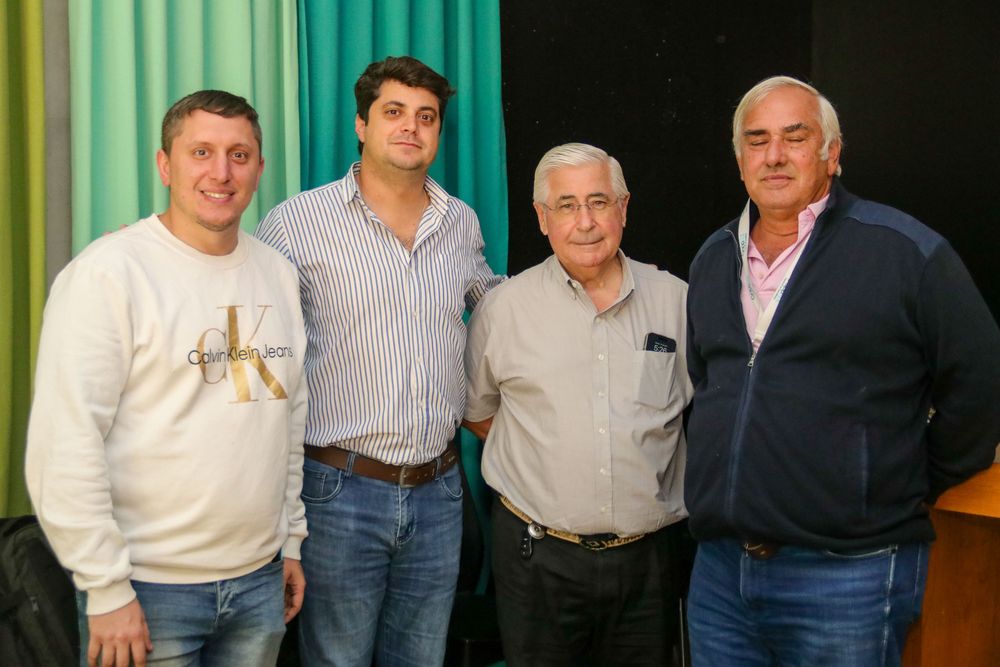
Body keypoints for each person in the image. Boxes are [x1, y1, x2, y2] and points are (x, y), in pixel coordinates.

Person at [684, 75, 1000, 665]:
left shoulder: (904, 252)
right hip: (722, 574)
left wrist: (899, 481)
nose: (774, 155)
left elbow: (981, 384)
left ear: (832, 153)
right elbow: (711, 385)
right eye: (757, 140)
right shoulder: (711, 258)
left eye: (794, 136)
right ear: (739, 160)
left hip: (848, 577)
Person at [25, 90, 308, 667]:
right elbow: (65, 443)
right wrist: (104, 587)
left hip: (258, 582)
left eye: (239, 154)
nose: (221, 172)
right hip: (147, 591)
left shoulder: (277, 273)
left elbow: (287, 419)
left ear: (259, 167)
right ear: (165, 165)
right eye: (200, 151)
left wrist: (291, 540)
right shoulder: (107, 275)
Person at [255, 55, 503, 666]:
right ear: (362, 125)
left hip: (440, 491)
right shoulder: (296, 223)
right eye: (394, 112)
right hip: (337, 491)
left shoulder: (460, 221)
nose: (410, 127)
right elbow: (245, 320)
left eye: (426, 116)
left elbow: (498, 307)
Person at [463, 143, 691, 665]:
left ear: (624, 209)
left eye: (599, 202)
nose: (585, 221)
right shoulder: (503, 310)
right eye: (566, 205)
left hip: (650, 565)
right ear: (542, 218)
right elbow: (477, 411)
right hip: (537, 562)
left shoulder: (677, 301)